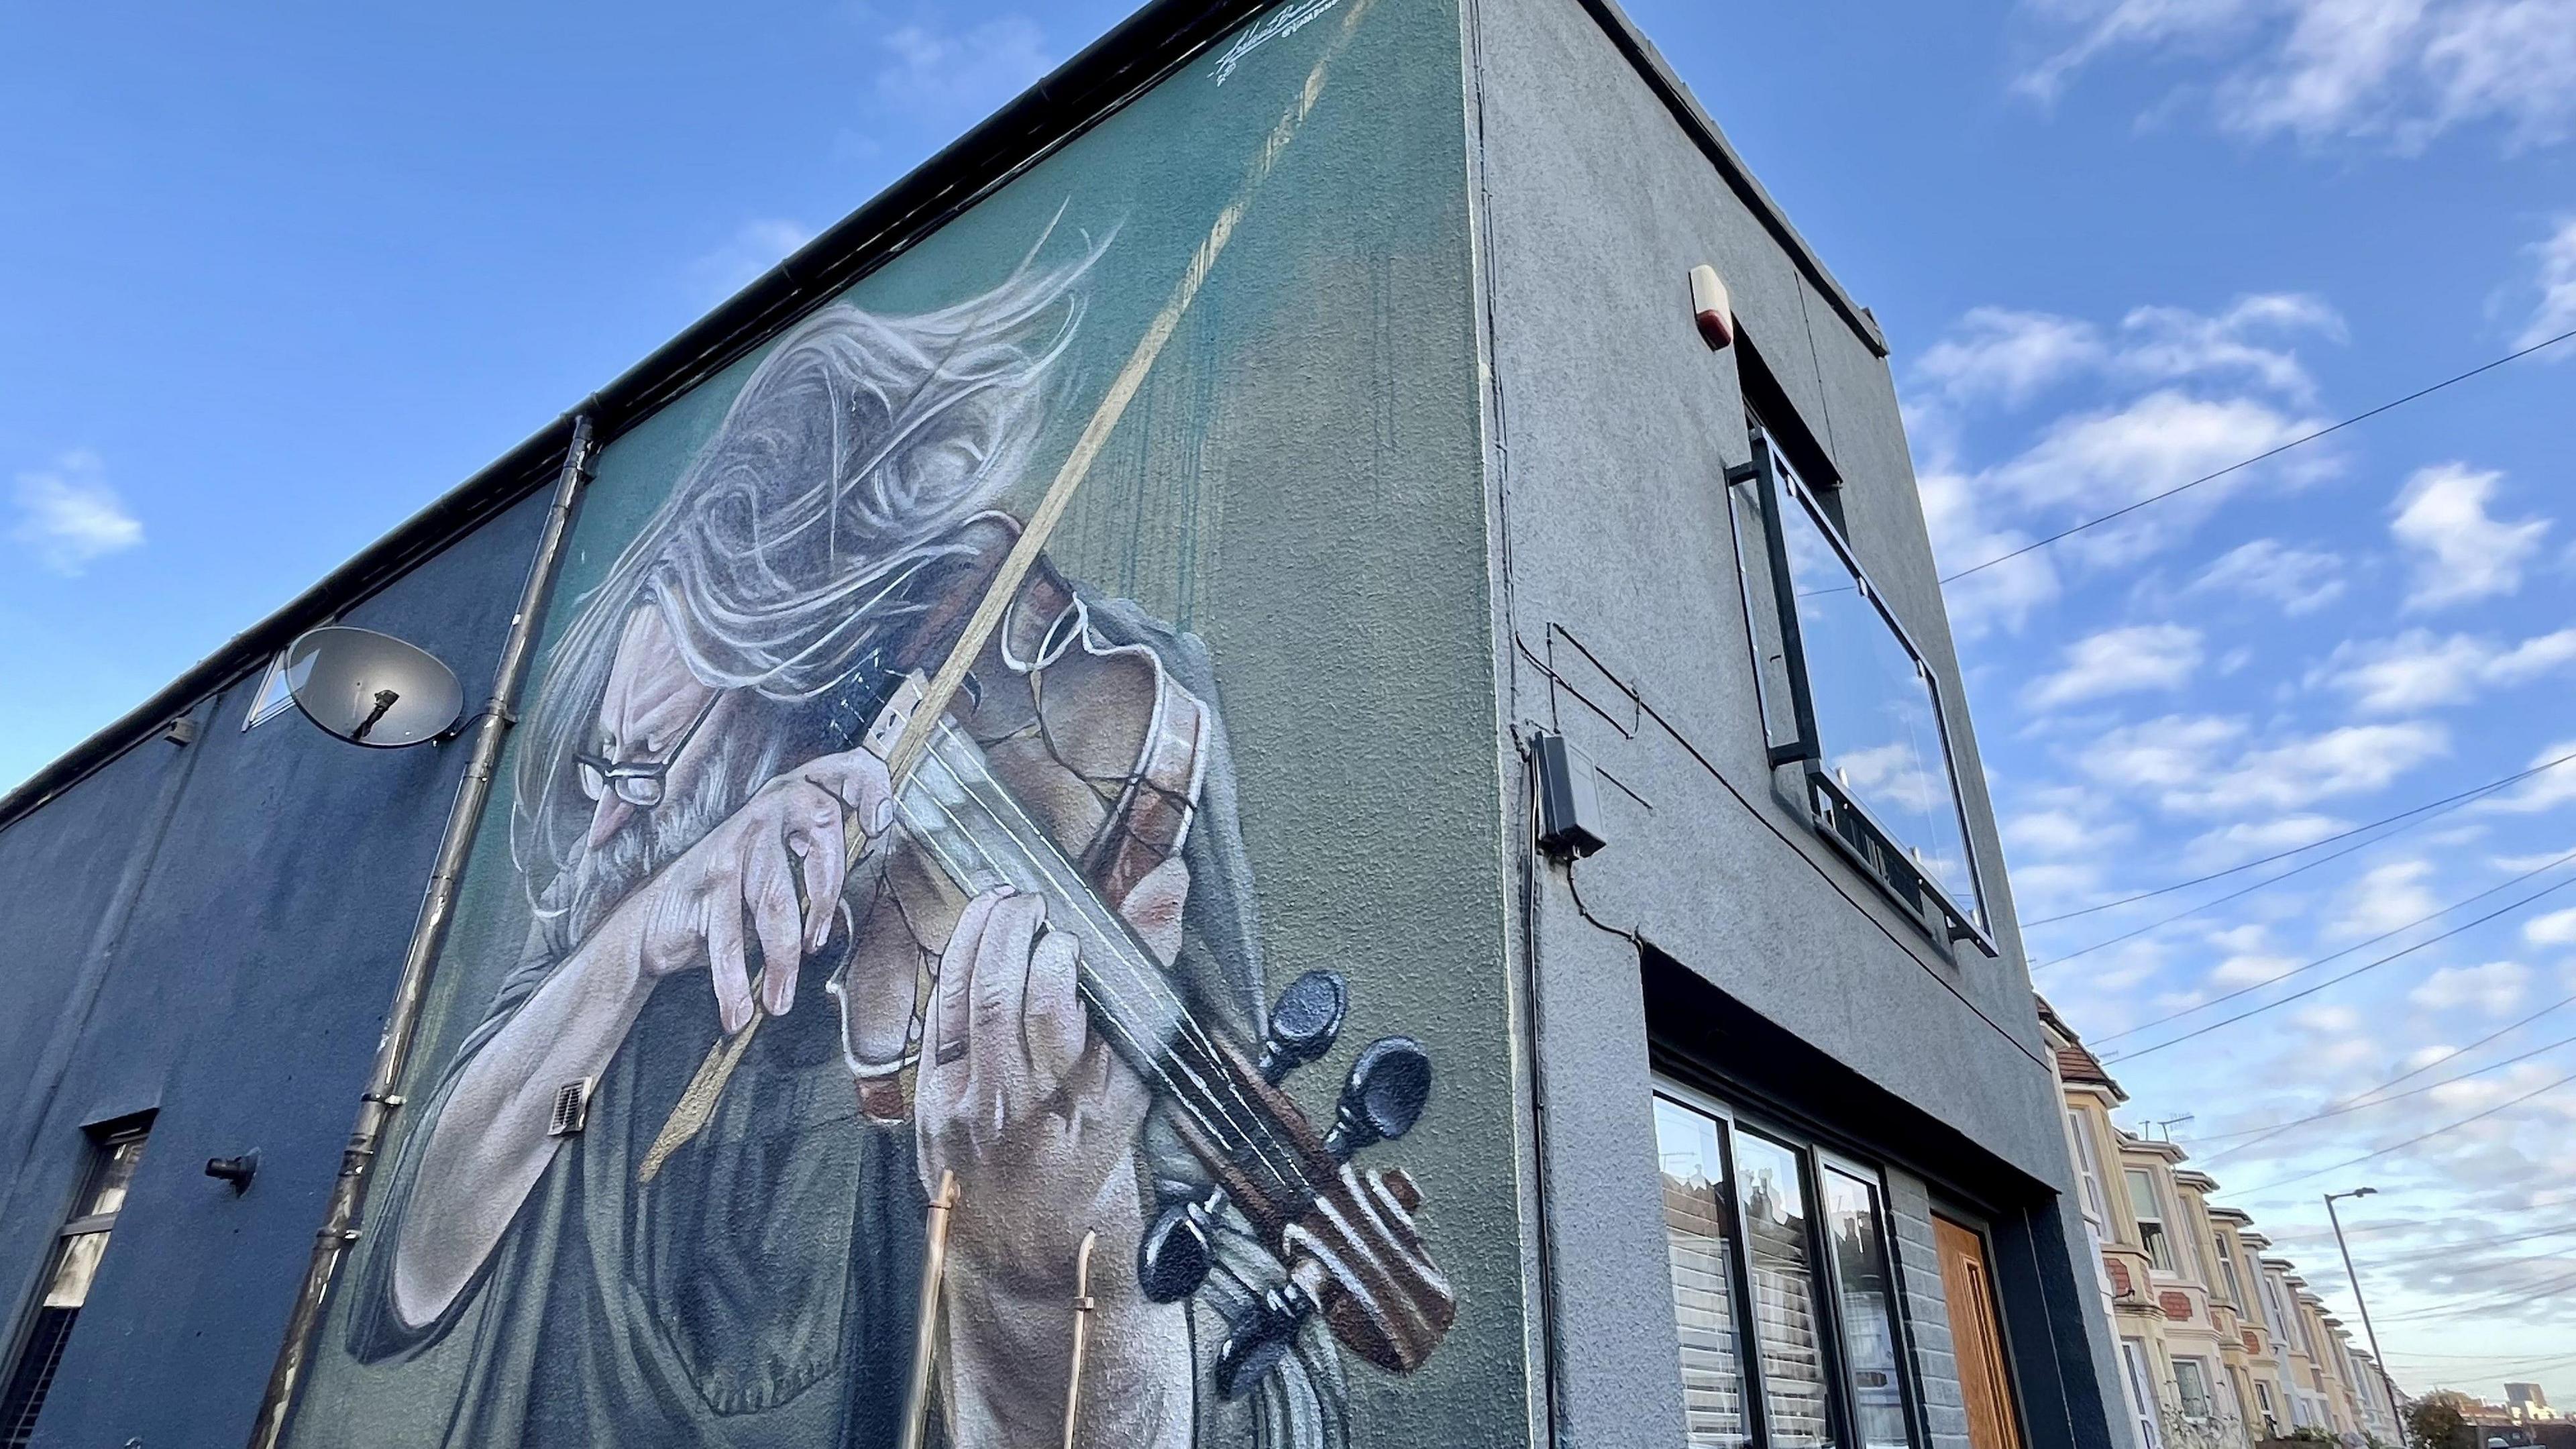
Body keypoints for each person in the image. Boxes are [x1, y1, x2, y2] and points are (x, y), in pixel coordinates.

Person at [333, 256, 1343, 1449]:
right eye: (606, 774)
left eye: (649, 771)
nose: (612, 820)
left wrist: (1046, 1276)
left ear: (805, 700)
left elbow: (1276, 1390)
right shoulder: (627, 890)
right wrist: (631, 942)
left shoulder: (1098, 726)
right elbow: (400, 1284)